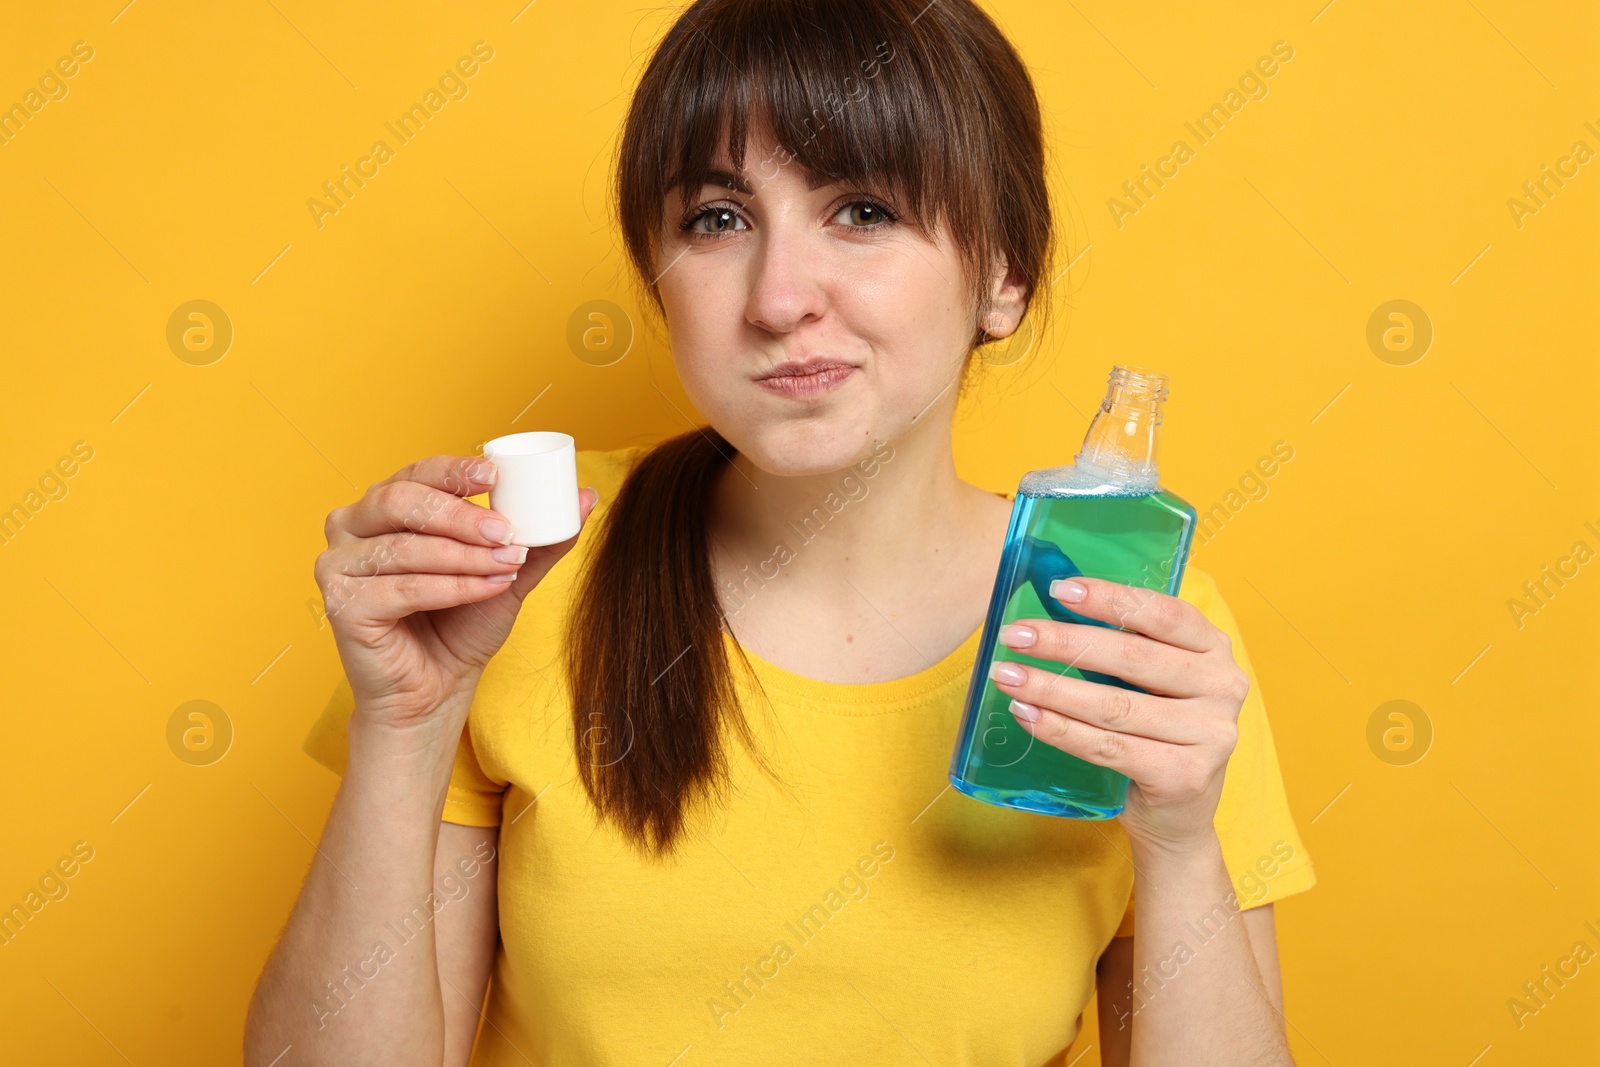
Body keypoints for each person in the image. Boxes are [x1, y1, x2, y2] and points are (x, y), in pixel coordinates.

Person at [244, 0, 1316, 1063]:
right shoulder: (518, 582)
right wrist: (407, 728)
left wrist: (1177, 846)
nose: (779, 296)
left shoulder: (1128, 631)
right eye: (717, 218)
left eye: (861, 210)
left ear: (1003, 275)